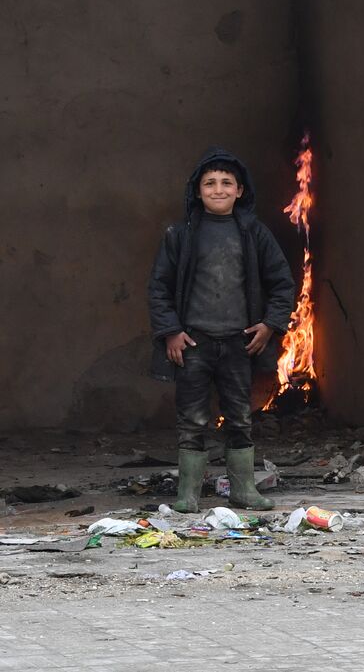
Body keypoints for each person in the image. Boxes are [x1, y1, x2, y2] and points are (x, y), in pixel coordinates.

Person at [148, 148, 295, 512]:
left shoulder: (254, 234)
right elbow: (159, 287)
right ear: (197, 191)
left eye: (226, 183)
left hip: (238, 344)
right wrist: (171, 331)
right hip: (193, 343)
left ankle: (244, 490)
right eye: (209, 183)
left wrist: (270, 325)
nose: (218, 189)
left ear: (240, 191)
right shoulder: (180, 235)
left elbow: (282, 283)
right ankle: (188, 495)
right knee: (192, 421)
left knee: (240, 418)